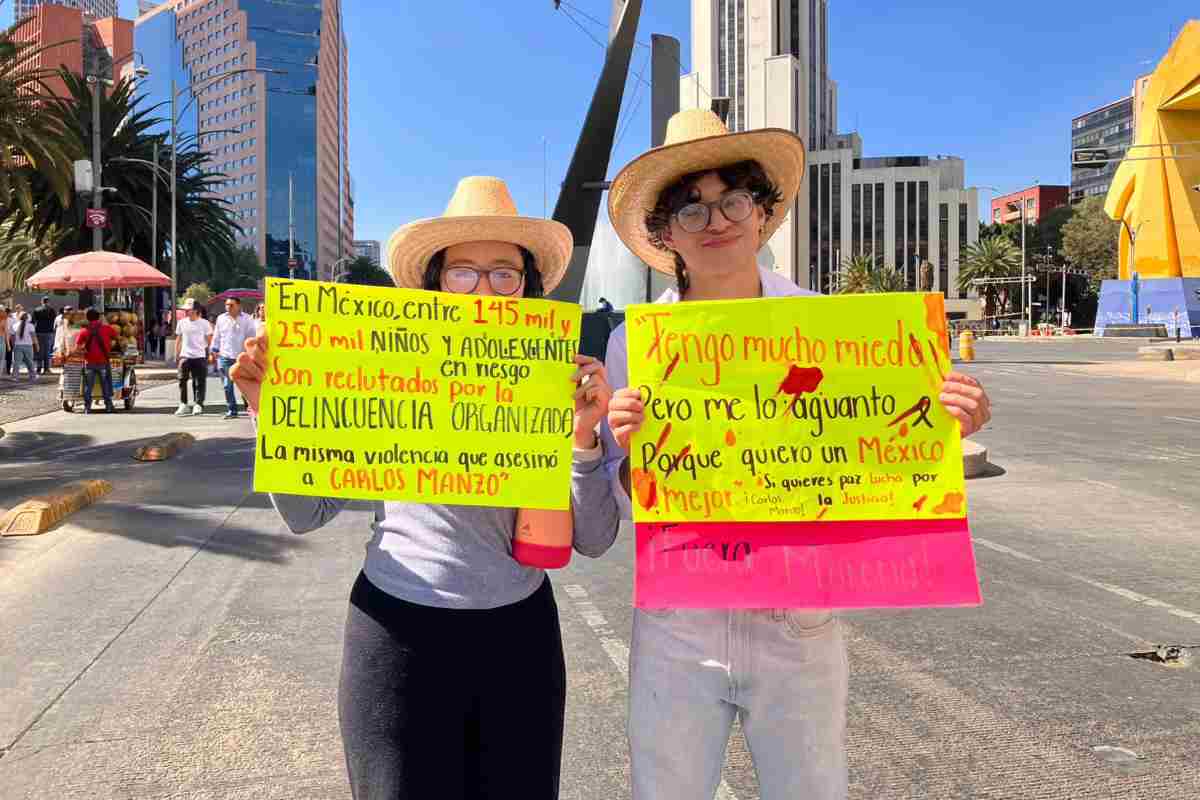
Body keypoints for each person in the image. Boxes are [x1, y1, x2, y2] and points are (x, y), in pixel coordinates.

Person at [601, 109, 993, 800]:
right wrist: (631, 450)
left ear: (762, 212)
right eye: (691, 209)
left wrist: (943, 427)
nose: (716, 219)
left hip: (798, 615)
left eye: (733, 199)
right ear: (665, 235)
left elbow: (874, 453)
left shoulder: (830, 326)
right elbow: (633, 495)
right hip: (680, 617)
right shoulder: (634, 344)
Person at [231, 176, 620, 799]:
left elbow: (597, 539)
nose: (484, 289)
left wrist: (584, 437)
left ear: (529, 287)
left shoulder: (561, 384)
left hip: (519, 642)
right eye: (463, 273)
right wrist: (270, 413)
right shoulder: (384, 378)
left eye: (504, 273)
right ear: (435, 285)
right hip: (395, 635)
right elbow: (306, 514)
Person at [210, 296, 256, 418]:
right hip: (225, 356)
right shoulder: (221, 318)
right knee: (227, 385)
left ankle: (249, 408)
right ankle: (232, 410)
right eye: (227, 305)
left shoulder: (247, 319)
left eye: (231, 305)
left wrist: (251, 354)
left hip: (242, 357)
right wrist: (213, 350)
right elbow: (217, 336)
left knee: (244, 385)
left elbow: (251, 337)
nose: (228, 307)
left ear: (239, 306)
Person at [74, 307, 116, 413]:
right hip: (103, 362)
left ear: (87, 319)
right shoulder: (107, 328)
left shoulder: (84, 331)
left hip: (89, 362)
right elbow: (116, 338)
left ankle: (87, 408)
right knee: (105, 384)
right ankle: (108, 407)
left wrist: (85, 351)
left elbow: (77, 347)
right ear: (99, 317)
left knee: (88, 385)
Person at [175, 298, 213, 416]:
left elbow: (209, 340)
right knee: (182, 380)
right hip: (185, 356)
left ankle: (198, 404)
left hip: (199, 356)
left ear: (196, 310)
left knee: (199, 382)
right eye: (185, 309)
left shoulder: (204, 323)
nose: (186, 311)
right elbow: (179, 339)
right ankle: (183, 404)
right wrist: (177, 354)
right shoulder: (182, 322)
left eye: (189, 309)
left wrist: (210, 353)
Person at [8, 308, 38, 382]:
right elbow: (33, 337)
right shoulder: (31, 326)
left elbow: (12, 337)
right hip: (28, 346)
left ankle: (15, 377)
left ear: (19, 317)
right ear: (27, 318)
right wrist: (37, 345)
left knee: (16, 362)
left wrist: (13, 345)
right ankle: (32, 376)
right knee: (30, 361)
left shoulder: (14, 325)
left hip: (17, 346)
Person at [32, 296, 55, 375]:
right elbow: (53, 320)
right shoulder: (52, 310)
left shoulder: (36, 310)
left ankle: (38, 368)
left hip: (38, 332)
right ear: (48, 302)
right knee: (47, 351)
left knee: (39, 350)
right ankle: (46, 368)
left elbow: (33, 321)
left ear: (41, 301)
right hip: (48, 332)